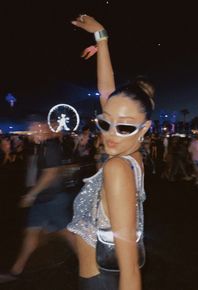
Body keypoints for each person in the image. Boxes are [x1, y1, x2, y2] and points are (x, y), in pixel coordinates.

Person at [67, 14, 155, 290]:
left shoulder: (118, 168)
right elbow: (108, 95)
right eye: (105, 123)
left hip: (101, 282)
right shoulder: (130, 158)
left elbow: (130, 271)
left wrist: (103, 38)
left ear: (144, 128)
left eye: (125, 127)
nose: (110, 134)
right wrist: (102, 38)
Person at [0, 122, 76, 283]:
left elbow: (50, 173)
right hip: (43, 199)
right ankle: (16, 271)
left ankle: (89, 262)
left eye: (36, 130)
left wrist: (31, 194)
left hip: (53, 200)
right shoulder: (41, 147)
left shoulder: (51, 147)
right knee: (32, 233)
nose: (32, 133)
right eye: (32, 130)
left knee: (67, 233)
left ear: (45, 131)